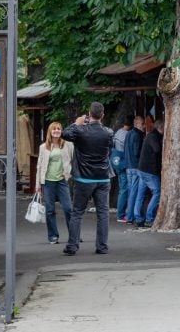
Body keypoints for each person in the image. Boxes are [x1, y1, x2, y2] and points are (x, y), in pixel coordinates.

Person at [60, 102, 114, 255]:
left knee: (77, 212)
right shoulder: (108, 132)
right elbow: (110, 148)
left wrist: (76, 123)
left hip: (84, 178)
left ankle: (72, 246)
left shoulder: (80, 131)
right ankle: (102, 246)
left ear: (89, 114)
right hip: (103, 178)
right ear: (102, 115)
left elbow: (64, 134)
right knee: (103, 213)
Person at [35, 121, 74, 244]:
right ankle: (53, 236)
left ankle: (74, 234)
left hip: (62, 181)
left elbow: (74, 160)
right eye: (54, 129)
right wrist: (38, 185)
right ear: (50, 132)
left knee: (68, 208)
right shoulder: (43, 147)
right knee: (50, 210)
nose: (56, 131)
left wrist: (70, 173)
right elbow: (39, 166)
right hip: (47, 182)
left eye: (58, 129)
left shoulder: (68, 145)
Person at [133, 119, 164, 228]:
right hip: (149, 171)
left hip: (142, 169)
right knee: (157, 192)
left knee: (140, 194)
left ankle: (138, 218)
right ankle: (149, 218)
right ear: (161, 128)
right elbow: (157, 149)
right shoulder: (154, 136)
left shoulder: (150, 136)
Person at [123, 115, 145, 225]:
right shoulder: (138, 135)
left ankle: (129, 216)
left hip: (128, 166)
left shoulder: (128, 134)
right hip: (136, 166)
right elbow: (137, 152)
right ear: (137, 124)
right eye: (142, 124)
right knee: (135, 193)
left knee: (131, 191)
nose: (144, 126)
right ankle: (131, 216)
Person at [112, 114, 133, 222]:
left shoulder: (118, 132)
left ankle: (121, 213)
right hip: (123, 164)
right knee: (124, 189)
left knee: (122, 188)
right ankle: (121, 215)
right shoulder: (128, 135)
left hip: (116, 162)